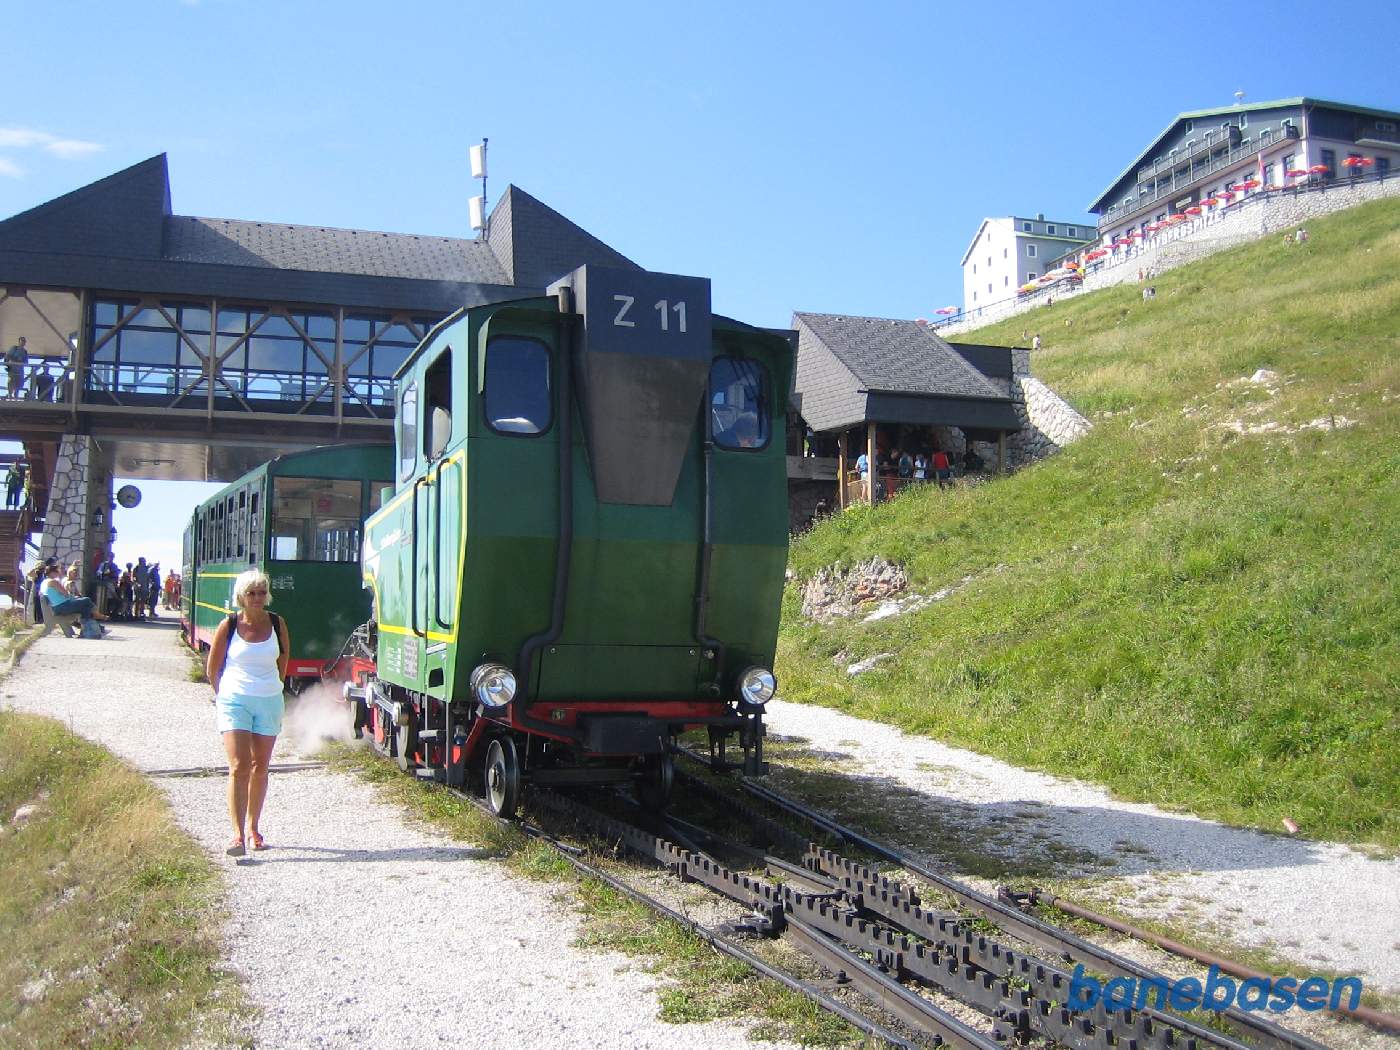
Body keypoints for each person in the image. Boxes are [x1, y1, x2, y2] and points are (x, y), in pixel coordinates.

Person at [207, 569, 290, 857]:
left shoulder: (278, 623)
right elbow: (213, 667)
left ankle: (255, 828)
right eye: (251, 593)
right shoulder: (228, 625)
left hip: (268, 700)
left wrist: (273, 687)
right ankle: (237, 835)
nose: (257, 597)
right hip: (235, 700)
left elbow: (283, 661)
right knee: (239, 766)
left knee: (260, 767)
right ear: (241, 596)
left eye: (261, 592)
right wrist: (225, 696)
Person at [38, 563, 107, 629]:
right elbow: (66, 594)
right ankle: (96, 615)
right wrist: (74, 598)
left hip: (56, 608)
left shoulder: (44, 582)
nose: (59, 572)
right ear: (52, 572)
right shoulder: (53, 582)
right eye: (57, 571)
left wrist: (73, 598)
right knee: (87, 600)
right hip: (62, 606)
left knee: (85, 609)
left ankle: (85, 627)